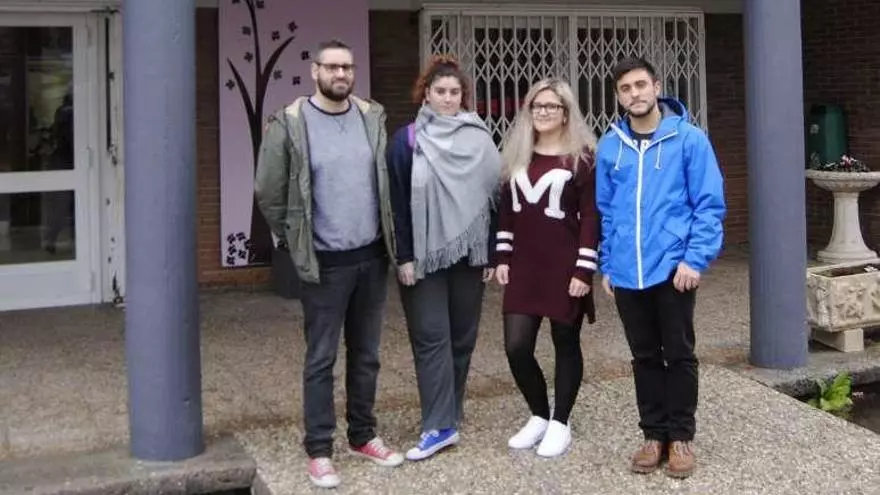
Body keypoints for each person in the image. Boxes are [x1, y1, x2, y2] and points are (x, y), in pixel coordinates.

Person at [254, 39, 404, 489]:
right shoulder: (291, 122)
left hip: (371, 258)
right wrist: (294, 238)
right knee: (321, 359)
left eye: (347, 67)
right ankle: (319, 449)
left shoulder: (370, 116)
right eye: (332, 67)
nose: (341, 74)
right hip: (325, 264)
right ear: (315, 71)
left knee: (367, 355)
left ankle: (363, 435)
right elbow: (269, 191)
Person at [595, 57, 726, 479]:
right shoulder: (610, 145)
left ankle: (681, 436)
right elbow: (606, 211)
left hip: (673, 269)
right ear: (619, 96)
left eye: (640, 85)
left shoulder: (689, 140)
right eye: (625, 88)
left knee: (679, 353)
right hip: (626, 271)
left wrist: (694, 259)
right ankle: (654, 435)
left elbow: (708, 205)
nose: (634, 94)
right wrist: (607, 263)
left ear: (656, 87)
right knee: (644, 356)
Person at [386, 54, 502, 461]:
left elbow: (494, 198)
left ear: (463, 96)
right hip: (423, 255)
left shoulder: (480, 138)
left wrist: (490, 253)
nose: (448, 98)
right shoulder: (407, 141)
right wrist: (403, 256)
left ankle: (449, 410)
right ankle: (437, 425)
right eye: (440, 91)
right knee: (431, 337)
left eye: (455, 92)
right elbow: (396, 203)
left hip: (469, 255)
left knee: (462, 338)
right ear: (426, 94)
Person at [494, 78, 599, 458]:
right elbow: (507, 212)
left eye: (551, 106)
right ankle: (539, 414)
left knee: (565, 342)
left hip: (565, 267)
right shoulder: (518, 155)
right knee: (516, 346)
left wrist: (584, 270)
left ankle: (560, 422)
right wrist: (502, 257)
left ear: (566, 112)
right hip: (525, 266)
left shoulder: (582, 158)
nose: (543, 112)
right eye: (537, 106)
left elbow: (591, 217)